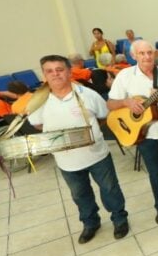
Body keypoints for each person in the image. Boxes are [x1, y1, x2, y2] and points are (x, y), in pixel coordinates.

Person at [28, 55, 129, 244]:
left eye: (59, 69)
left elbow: (103, 116)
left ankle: (119, 219)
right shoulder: (39, 100)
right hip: (66, 161)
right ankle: (90, 223)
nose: (55, 74)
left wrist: (88, 133)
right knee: (79, 194)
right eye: (49, 71)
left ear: (68, 71)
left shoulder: (87, 94)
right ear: (44, 74)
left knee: (110, 189)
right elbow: (36, 124)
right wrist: (62, 137)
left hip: (96, 154)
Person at [108, 40, 158, 224]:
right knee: (155, 174)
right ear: (133, 56)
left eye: (149, 52)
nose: (146, 57)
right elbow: (110, 104)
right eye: (141, 53)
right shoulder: (125, 76)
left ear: (155, 54)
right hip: (143, 134)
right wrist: (126, 103)